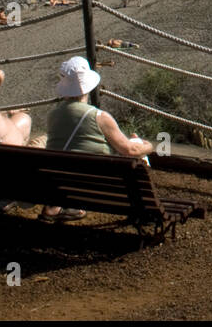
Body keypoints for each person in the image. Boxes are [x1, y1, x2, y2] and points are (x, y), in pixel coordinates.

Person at [40, 57, 157, 222]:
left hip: (61, 181)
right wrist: (149, 146)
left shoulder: (52, 116)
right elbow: (130, 151)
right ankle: (143, 206)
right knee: (136, 145)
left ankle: (61, 206)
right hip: (99, 184)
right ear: (88, 86)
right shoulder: (99, 117)